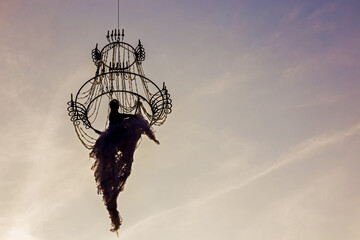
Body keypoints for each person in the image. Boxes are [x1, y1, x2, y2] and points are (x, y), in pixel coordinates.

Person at [90, 99, 159, 233]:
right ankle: (112, 206)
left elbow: (122, 117)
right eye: (115, 106)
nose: (116, 108)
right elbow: (120, 116)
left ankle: (113, 204)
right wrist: (131, 116)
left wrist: (131, 117)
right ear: (113, 107)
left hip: (116, 135)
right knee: (113, 163)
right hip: (114, 135)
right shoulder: (113, 115)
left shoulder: (116, 115)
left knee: (131, 135)